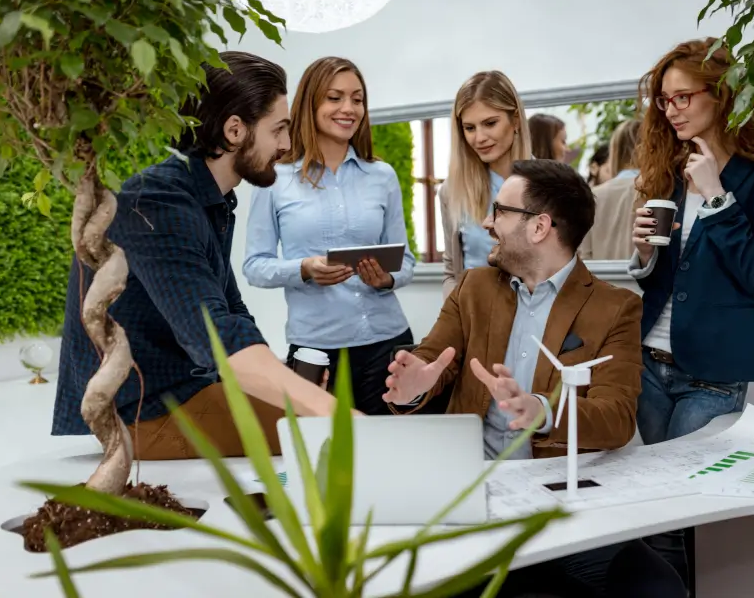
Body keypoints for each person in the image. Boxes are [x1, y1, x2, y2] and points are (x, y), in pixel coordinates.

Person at [383, 159, 686, 598]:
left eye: (500, 211)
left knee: (659, 589)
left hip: (562, 502)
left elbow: (617, 418)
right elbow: (432, 359)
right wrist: (413, 389)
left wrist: (541, 410)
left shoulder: (614, 308)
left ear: (540, 226)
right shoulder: (473, 288)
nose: (487, 223)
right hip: (478, 498)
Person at [52, 52, 337, 459]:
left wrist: (284, 380)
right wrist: (330, 411)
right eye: (279, 130)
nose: (287, 145)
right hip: (147, 411)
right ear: (235, 130)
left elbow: (232, 313)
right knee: (328, 435)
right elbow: (214, 336)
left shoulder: (209, 202)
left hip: (189, 390)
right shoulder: (157, 202)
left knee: (314, 415)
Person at [627, 36, 754, 587]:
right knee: (657, 511)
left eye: (683, 97)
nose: (671, 110)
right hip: (649, 364)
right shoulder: (668, 167)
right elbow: (663, 273)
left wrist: (715, 196)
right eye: (665, 100)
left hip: (712, 374)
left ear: (722, 95)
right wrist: (642, 254)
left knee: (692, 512)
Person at [243, 56, 415, 415]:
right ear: (311, 104)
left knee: (390, 444)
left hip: (387, 342)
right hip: (315, 350)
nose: (349, 108)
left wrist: (385, 279)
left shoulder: (381, 176)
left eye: (357, 99)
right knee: (317, 447)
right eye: (335, 98)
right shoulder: (275, 178)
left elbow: (406, 262)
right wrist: (304, 268)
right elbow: (255, 266)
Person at [438, 70, 532, 299]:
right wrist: (458, 310)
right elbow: (451, 272)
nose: (479, 138)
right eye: (469, 128)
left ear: (516, 120)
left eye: (490, 123)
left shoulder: (550, 186)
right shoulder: (452, 192)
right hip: (474, 316)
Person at [579, 118, 642, 260]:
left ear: (614, 151)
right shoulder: (661, 191)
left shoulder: (591, 196)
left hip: (599, 273)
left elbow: (585, 255)